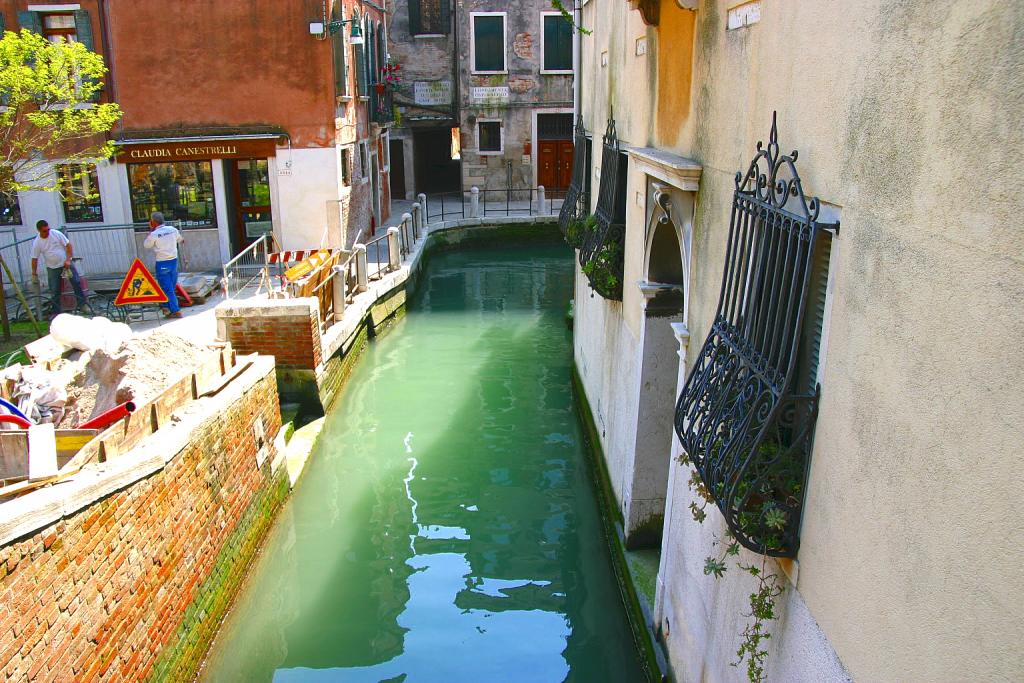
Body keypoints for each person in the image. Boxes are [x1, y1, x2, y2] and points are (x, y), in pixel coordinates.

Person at [30, 219, 89, 316]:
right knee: (54, 290)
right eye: (44, 231)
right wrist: (34, 273)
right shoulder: (37, 242)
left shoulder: (56, 234)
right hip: (52, 268)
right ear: (39, 230)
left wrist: (68, 260)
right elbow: (34, 258)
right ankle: (56, 312)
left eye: (48, 229)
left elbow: (68, 245)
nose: (47, 232)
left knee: (76, 282)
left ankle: (83, 305)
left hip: (66, 264)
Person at [143, 211, 185, 318]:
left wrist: (151, 230)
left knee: (167, 288)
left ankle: (175, 310)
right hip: (174, 262)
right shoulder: (173, 229)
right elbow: (181, 240)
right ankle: (166, 308)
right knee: (171, 286)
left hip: (162, 263)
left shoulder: (154, 234)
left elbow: (146, 245)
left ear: (153, 222)